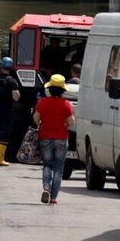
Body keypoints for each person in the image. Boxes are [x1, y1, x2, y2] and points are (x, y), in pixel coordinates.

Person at [34, 74, 76, 204]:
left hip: (45, 137)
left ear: (50, 88)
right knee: (58, 168)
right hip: (61, 139)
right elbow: (71, 122)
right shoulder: (67, 104)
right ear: (63, 90)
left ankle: (46, 187)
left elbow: (36, 119)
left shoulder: (43, 102)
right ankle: (53, 197)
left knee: (47, 165)